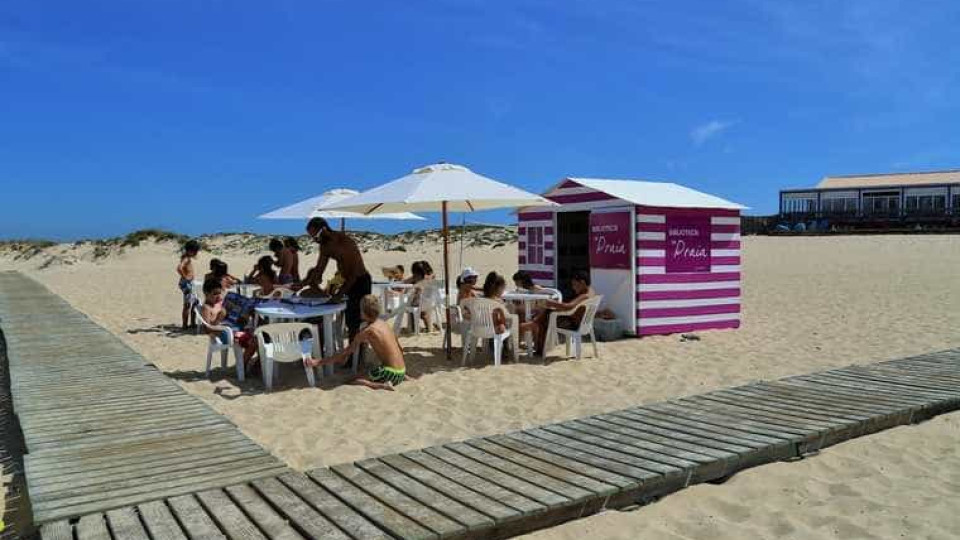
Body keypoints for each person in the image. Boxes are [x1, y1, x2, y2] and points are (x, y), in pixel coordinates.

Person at [305, 295, 406, 391]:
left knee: (352, 380)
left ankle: (381, 385)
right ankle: (398, 378)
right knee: (367, 372)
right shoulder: (384, 324)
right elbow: (399, 349)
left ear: (363, 312)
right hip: (402, 371)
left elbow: (345, 354)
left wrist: (317, 362)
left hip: (390, 374)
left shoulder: (368, 331)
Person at [299, 217, 372, 340]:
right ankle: (352, 353)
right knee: (349, 321)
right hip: (347, 282)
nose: (315, 240)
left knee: (356, 322)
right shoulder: (324, 246)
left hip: (360, 281)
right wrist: (302, 283)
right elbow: (319, 269)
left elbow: (353, 274)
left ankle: (356, 357)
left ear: (324, 229)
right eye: (312, 238)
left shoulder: (345, 242)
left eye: (315, 236)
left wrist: (339, 294)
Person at [521, 270, 595, 356]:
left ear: (582, 282)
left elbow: (569, 306)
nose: (573, 287)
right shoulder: (591, 291)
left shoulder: (584, 296)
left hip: (573, 324)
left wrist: (551, 303)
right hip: (582, 323)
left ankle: (539, 345)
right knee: (549, 312)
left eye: (574, 285)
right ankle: (534, 324)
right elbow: (572, 308)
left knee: (545, 321)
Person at [201, 277, 259, 374]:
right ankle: (242, 367)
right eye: (214, 294)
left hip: (231, 328)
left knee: (257, 338)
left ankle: (252, 365)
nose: (218, 296)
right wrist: (219, 318)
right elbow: (207, 328)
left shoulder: (218, 304)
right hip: (223, 334)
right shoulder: (206, 308)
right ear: (206, 293)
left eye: (219, 293)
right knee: (253, 342)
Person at [176, 240, 200, 329]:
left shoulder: (186, 257)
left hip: (188, 283)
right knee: (188, 304)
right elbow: (179, 268)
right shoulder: (186, 258)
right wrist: (185, 277)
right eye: (195, 251)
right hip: (187, 284)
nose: (196, 253)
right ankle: (185, 325)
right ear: (191, 250)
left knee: (195, 302)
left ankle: (192, 323)